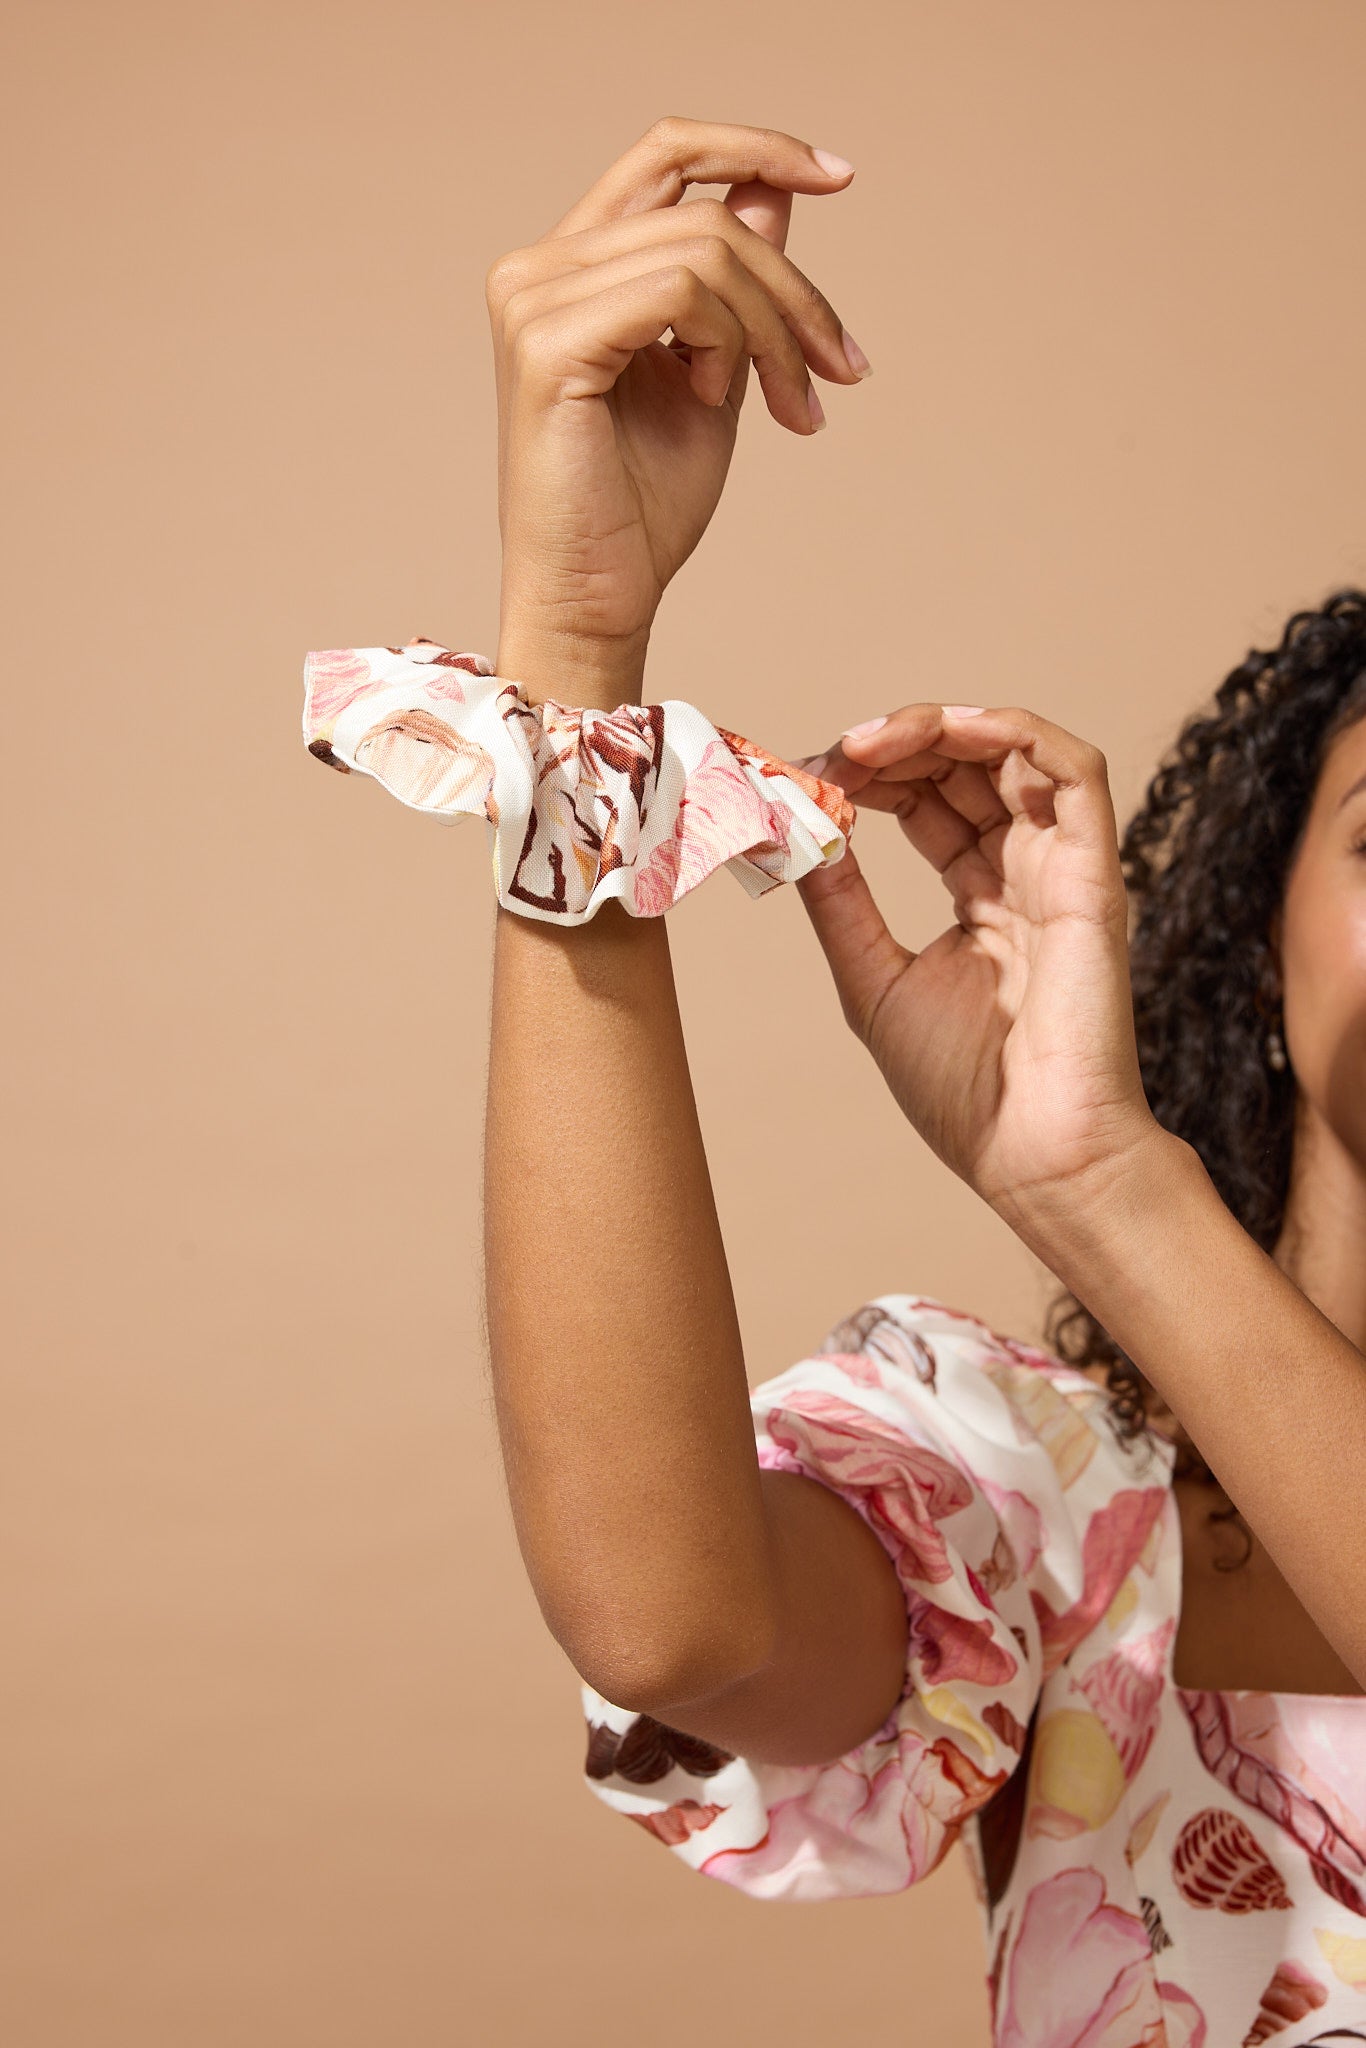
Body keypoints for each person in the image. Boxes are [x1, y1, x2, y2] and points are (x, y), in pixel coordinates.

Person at [476, 117, 1366, 2042]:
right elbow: (673, 1621)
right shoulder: (1047, 1488)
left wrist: (1112, 1192)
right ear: (1263, 916)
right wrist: (575, 672)